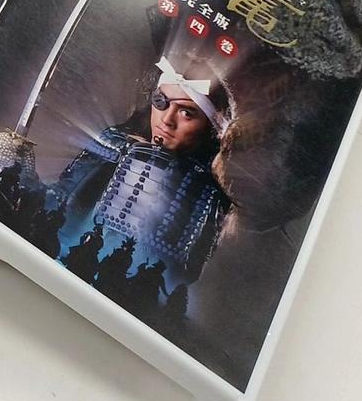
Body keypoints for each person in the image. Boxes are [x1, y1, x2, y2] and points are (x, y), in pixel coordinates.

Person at [53, 56, 234, 296]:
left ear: (211, 127)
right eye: (161, 102)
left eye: (186, 113)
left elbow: (189, 271)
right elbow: (61, 201)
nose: (167, 121)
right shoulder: (114, 144)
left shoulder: (211, 190)